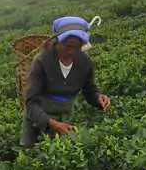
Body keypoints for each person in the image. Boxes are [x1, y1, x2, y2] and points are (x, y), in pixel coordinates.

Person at [20, 16, 112, 148]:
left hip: (65, 116)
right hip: (38, 118)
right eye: (67, 46)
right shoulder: (42, 61)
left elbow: (89, 91)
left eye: (77, 47)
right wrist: (53, 124)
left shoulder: (84, 62)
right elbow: (30, 103)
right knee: (31, 155)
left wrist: (98, 98)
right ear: (56, 42)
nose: (72, 51)